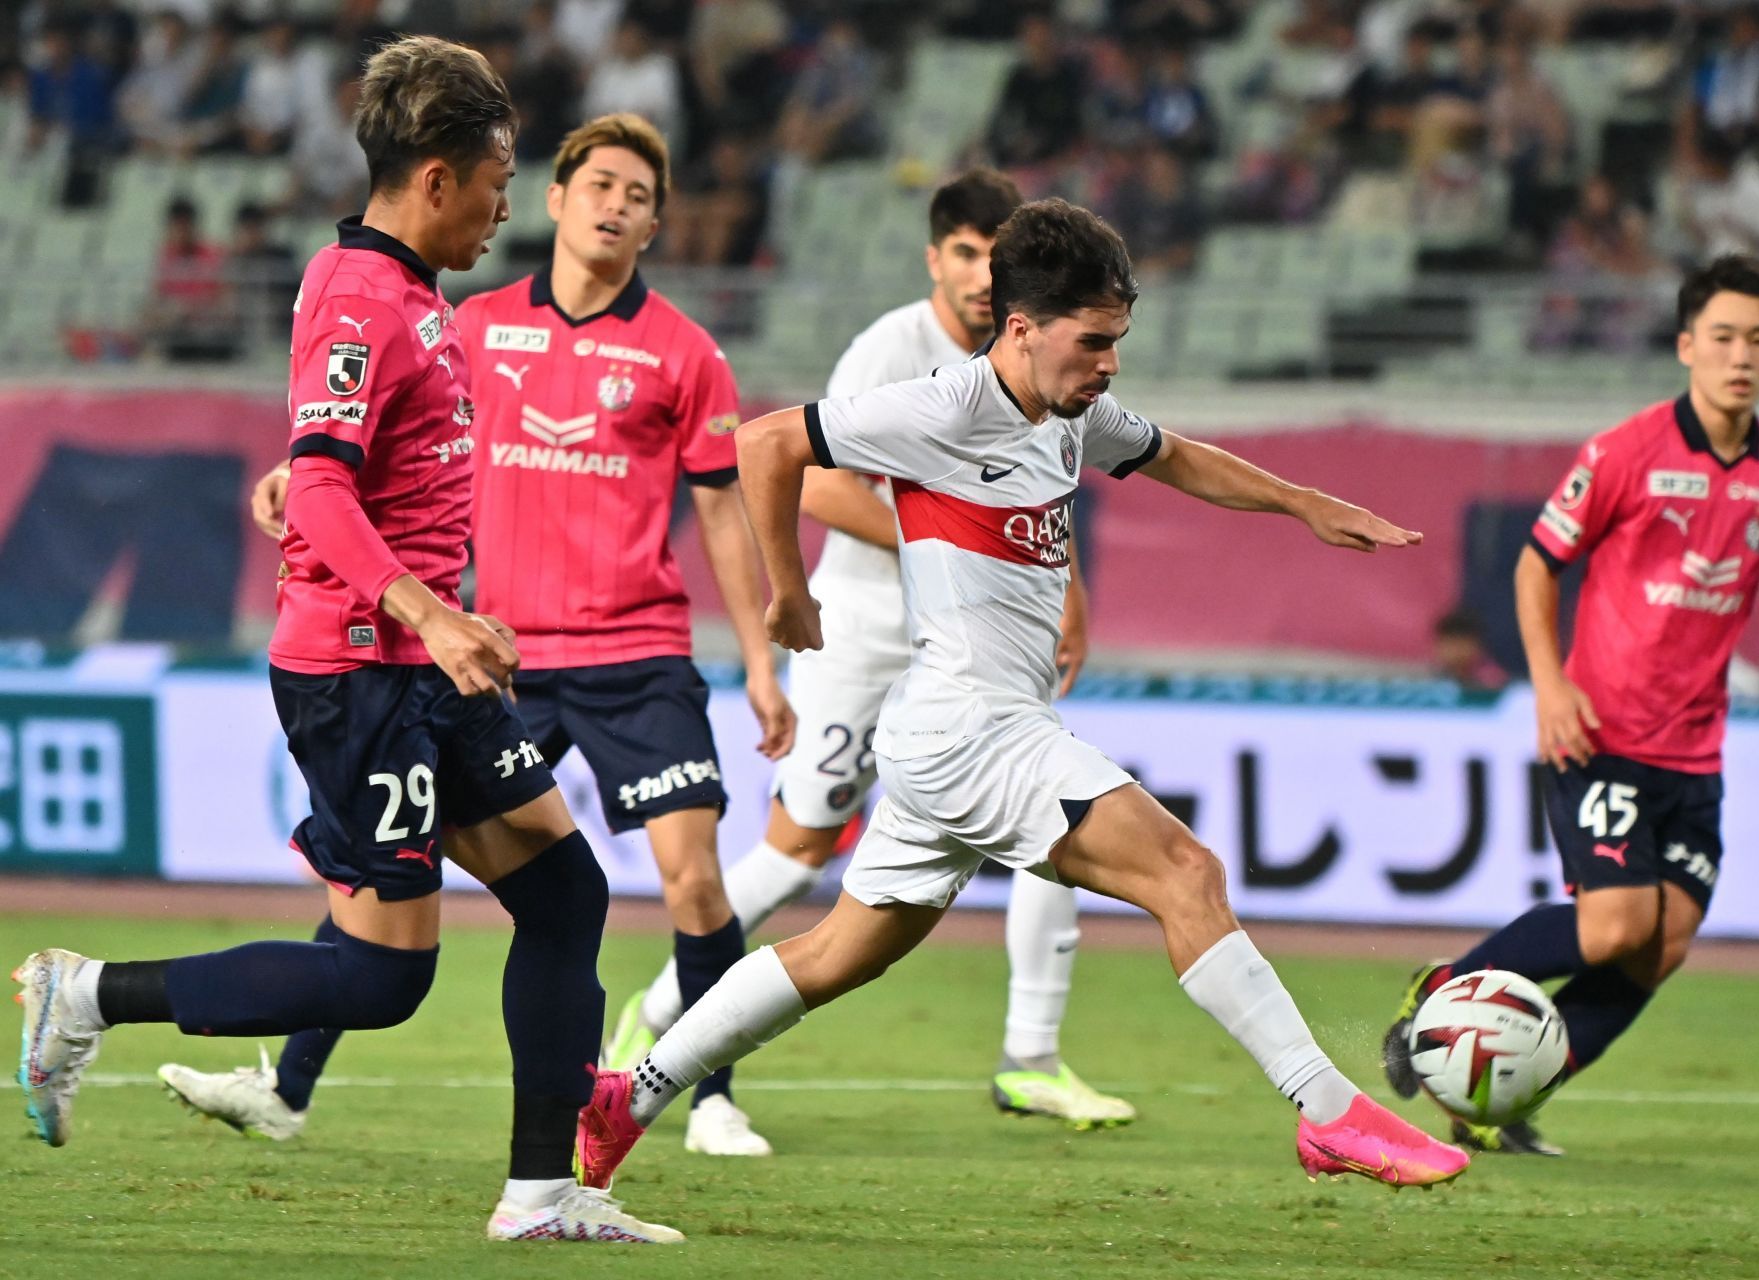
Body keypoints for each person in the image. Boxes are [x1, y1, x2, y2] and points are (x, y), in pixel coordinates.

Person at [571, 199, 1472, 1214]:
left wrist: (1307, 504)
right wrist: (791, 589)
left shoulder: (1072, 411)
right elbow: (770, 442)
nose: (1111, 364)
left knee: (830, 955)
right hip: (976, 732)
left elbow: (1174, 455)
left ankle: (628, 1093)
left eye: (1119, 340)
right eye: (1095, 341)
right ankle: (1326, 1108)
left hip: (953, 735)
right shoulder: (945, 407)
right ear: (1021, 328)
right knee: (1188, 870)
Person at [14, 37, 678, 1245]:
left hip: (421, 661)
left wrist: (403, 583)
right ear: (435, 177)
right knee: (384, 976)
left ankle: (540, 1193)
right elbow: (326, 483)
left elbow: (330, 458)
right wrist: (428, 607)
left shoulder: (410, 294)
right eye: (498, 178)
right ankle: (89, 992)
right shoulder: (364, 292)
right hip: (362, 669)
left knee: (568, 892)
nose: (503, 205)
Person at [163, 113, 795, 1160]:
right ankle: (289, 1084)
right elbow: (379, 436)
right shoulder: (467, 319)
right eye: (598, 182)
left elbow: (724, 508)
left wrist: (763, 660)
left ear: (656, 220)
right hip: (490, 647)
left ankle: (710, 1094)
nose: (614, 204)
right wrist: (301, 473)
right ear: (555, 197)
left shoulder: (686, 353)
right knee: (393, 871)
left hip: (634, 653)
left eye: (639, 194)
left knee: (692, 877)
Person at [605, 168, 1136, 1131]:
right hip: (864, 628)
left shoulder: (1044, 366)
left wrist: (1060, 582)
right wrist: (954, 529)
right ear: (935, 258)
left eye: (994, 254)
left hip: (971, 644)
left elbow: (1040, 501)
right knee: (805, 838)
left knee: (1050, 817)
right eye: (965, 253)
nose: (981, 274)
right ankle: (660, 1008)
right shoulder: (891, 349)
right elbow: (809, 481)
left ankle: (1032, 1056)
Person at [1381, 255, 1759, 1157]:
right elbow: (1537, 564)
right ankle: (1438, 997)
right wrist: (1550, 683)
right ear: (1685, 347)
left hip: (1695, 755)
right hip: (1600, 734)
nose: (1739, 356)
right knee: (1620, 921)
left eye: (1758, 340)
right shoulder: (1625, 452)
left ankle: (1503, 1099)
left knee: (1656, 950)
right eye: (1722, 338)